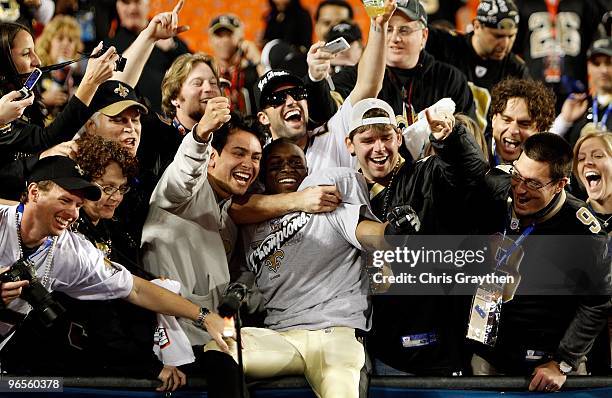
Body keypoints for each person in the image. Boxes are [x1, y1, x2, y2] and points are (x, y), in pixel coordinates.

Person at [205, 138, 414, 398]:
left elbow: (369, 233)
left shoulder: (325, 204)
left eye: (296, 163)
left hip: (335, 332)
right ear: (263, 176)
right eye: (275, 164)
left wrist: (394, 231)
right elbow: (236, 208)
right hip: (281, 335)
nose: (287, 169)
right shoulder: (251, 223)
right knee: (218, 349)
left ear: (307, 171)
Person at [0, 156, 227, 371]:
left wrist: (204, 316)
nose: (73, 213)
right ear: (34, 193)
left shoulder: (72, 252)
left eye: (78, 205)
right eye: (65, 200)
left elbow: (136, 289)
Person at [344, 97, 488, 375]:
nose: (379, 148)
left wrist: (450, 136)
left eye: (386, 137)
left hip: (434, 346)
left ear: (399, 137)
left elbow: (471, 174)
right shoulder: (345, 191)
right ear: (350, 145)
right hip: (377, 349)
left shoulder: (428, 173)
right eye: (367, 140)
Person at [473, 132, 611, 391]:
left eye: (534, 183)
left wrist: (563, 362)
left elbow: (598, 302)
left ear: (561, 184)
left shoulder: (583, 232)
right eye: (517, 175)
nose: (520, 190)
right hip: (486, 357)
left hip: (548, 367)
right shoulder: (496, 187)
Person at [141, 110, 266, 347]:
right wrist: (200, 136)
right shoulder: (181, 196)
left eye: (256, 157)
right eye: (239, 153)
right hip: (170, 347)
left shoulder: (228, 218)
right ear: (212, 158)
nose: (248, 164)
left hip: (210, 343)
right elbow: (185, 173)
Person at [0, 21, 118, 200]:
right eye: (26, 54)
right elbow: (46, 140)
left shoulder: (22, 93)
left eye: (34, 51)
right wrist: (90, 82)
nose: (37, 61)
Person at [332, 0, 476, 130]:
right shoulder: (354, 78)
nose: (395, 38)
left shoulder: (450, 80)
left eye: (404, 30)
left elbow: (469, 136)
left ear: (424, 36)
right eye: (388, 29)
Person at [512, 0, 608, 111]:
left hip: (576, 93)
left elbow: (597, 47)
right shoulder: (522, 4)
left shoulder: (586, 4)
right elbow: (514, 50)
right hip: (533, 90)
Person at [573, 130, 612, 374]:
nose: (587, 162)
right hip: (582, 357)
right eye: (581, 158)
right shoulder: (570, 222)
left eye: (598, 155)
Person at [106, 0, 190, 113]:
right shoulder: (109, 47)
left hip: (170, 117)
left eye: (137, 2)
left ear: (148, 4)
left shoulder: (170, 39)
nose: (132, 9)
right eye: (126, 2)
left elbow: (192, 72)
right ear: (117, 6)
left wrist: (172, 49)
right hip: (131, 120)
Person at [551, 37, 612, 148]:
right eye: (597, 64)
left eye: (609, 63)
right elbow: (545, 146)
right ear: (588, 67)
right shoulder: (578, 105)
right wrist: (565, 120)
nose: (603, 70)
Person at [487, 77, 556, 166]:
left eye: (524, 124)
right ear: (494, 119)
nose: (513, 130)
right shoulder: (471, 154)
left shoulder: (549, 170)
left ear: (540, 130)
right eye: (507, 120)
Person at [208, 14, 262, 115]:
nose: (224, 41)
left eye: (229, 35)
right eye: (219, 35)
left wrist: (258, 60)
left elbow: (271, 94)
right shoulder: (207, 74)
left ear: (240, 38)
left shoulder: (252, 72)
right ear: (210, 41)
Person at [35, 15, 86, 118]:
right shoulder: (36, 73)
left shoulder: (80, 78)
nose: (66, 44)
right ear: (48, 43)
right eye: (60, 39)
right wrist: (43, 101)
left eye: (71, 40)